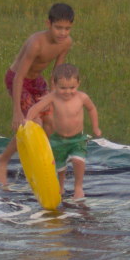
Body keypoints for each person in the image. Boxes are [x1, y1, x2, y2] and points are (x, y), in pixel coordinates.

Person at [0, 3, 74, 186]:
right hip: (17, 79)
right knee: (32, 122)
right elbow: (18, 77)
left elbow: (56, 72)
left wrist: (55, 97)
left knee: (50, 123)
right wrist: (16, 112)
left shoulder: (66, 43)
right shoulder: (36, 44)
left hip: (36, 81)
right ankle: (2, 159)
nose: (62, 33)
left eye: (67, 28)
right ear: (48, 24)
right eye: (58, 28)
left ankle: (39, 159)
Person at [26, 63, 101, 200]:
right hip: (58, 139)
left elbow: (92, 109)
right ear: (54, 84)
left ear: (78, 83)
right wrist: (27, 120)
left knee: (78, 161)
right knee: (59, 166)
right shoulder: (52, 97)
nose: (67, 92)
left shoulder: (82, 97)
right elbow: (36, 108)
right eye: (63, 88)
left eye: (72, 87)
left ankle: (78, 187)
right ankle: (60, 186)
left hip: (77, 138)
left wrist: (95, 127)